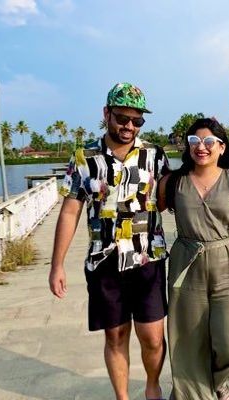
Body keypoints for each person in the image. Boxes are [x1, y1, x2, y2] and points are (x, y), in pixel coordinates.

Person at [49, 82, 169, 400]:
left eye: (137, 120)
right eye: (122, 118)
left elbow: (174, 197)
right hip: (104, 261)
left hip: (148, 259)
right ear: (106, 114)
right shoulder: (84, 157)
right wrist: (57, 265)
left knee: (153, 337)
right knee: (115, 336)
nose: (129, 126)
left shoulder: (155, 155)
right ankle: (122, 397)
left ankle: (153, 386)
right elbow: (70, 212)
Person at [158, 118, 229, 400]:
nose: (201, 147)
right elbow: (143, 206)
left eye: (208, 142)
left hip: (228, 265)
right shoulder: (174, 182)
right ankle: (192, 394)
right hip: (186, 264)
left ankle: (219, 380)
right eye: (194, 141)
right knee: (187, 340)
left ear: (221, 147)